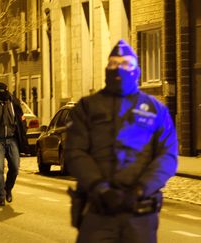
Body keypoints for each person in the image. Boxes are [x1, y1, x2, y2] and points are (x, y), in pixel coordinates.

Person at [64, 39, 178, 243]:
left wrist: (140, 189)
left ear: (137, 70)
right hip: (99, 212)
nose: (119, 69)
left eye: (126, 64)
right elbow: (75, 152)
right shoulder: (87, 107)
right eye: (114, 64)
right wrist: (100, 188)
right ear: (107, 68)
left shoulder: (155, 109)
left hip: (140, 214)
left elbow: (167, 156)